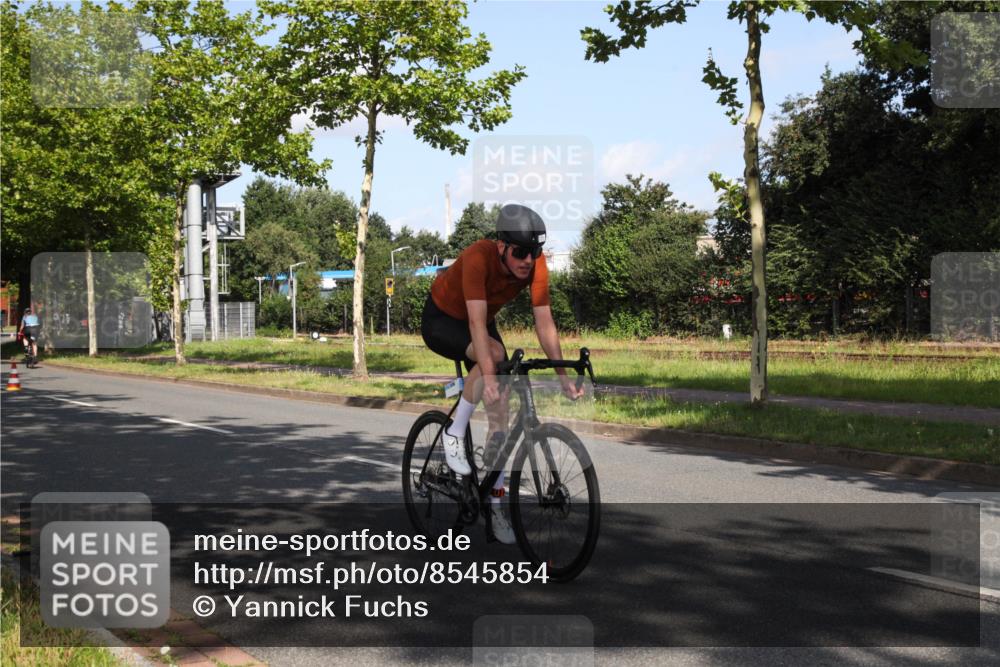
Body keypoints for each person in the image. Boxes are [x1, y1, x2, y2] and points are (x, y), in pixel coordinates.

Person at [421, 204, 584, 544]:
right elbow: (477, 324)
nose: (528, 259)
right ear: (501, 247)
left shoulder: (535, 264)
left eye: (534, 251)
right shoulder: (479, 257)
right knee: (493, 358)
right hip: (443, 319)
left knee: (501, 410)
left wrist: (562, 376)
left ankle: (494, 504)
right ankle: (454, 432)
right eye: (521, 252)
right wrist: (490, 376)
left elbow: (544, 320)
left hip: (479, 319)